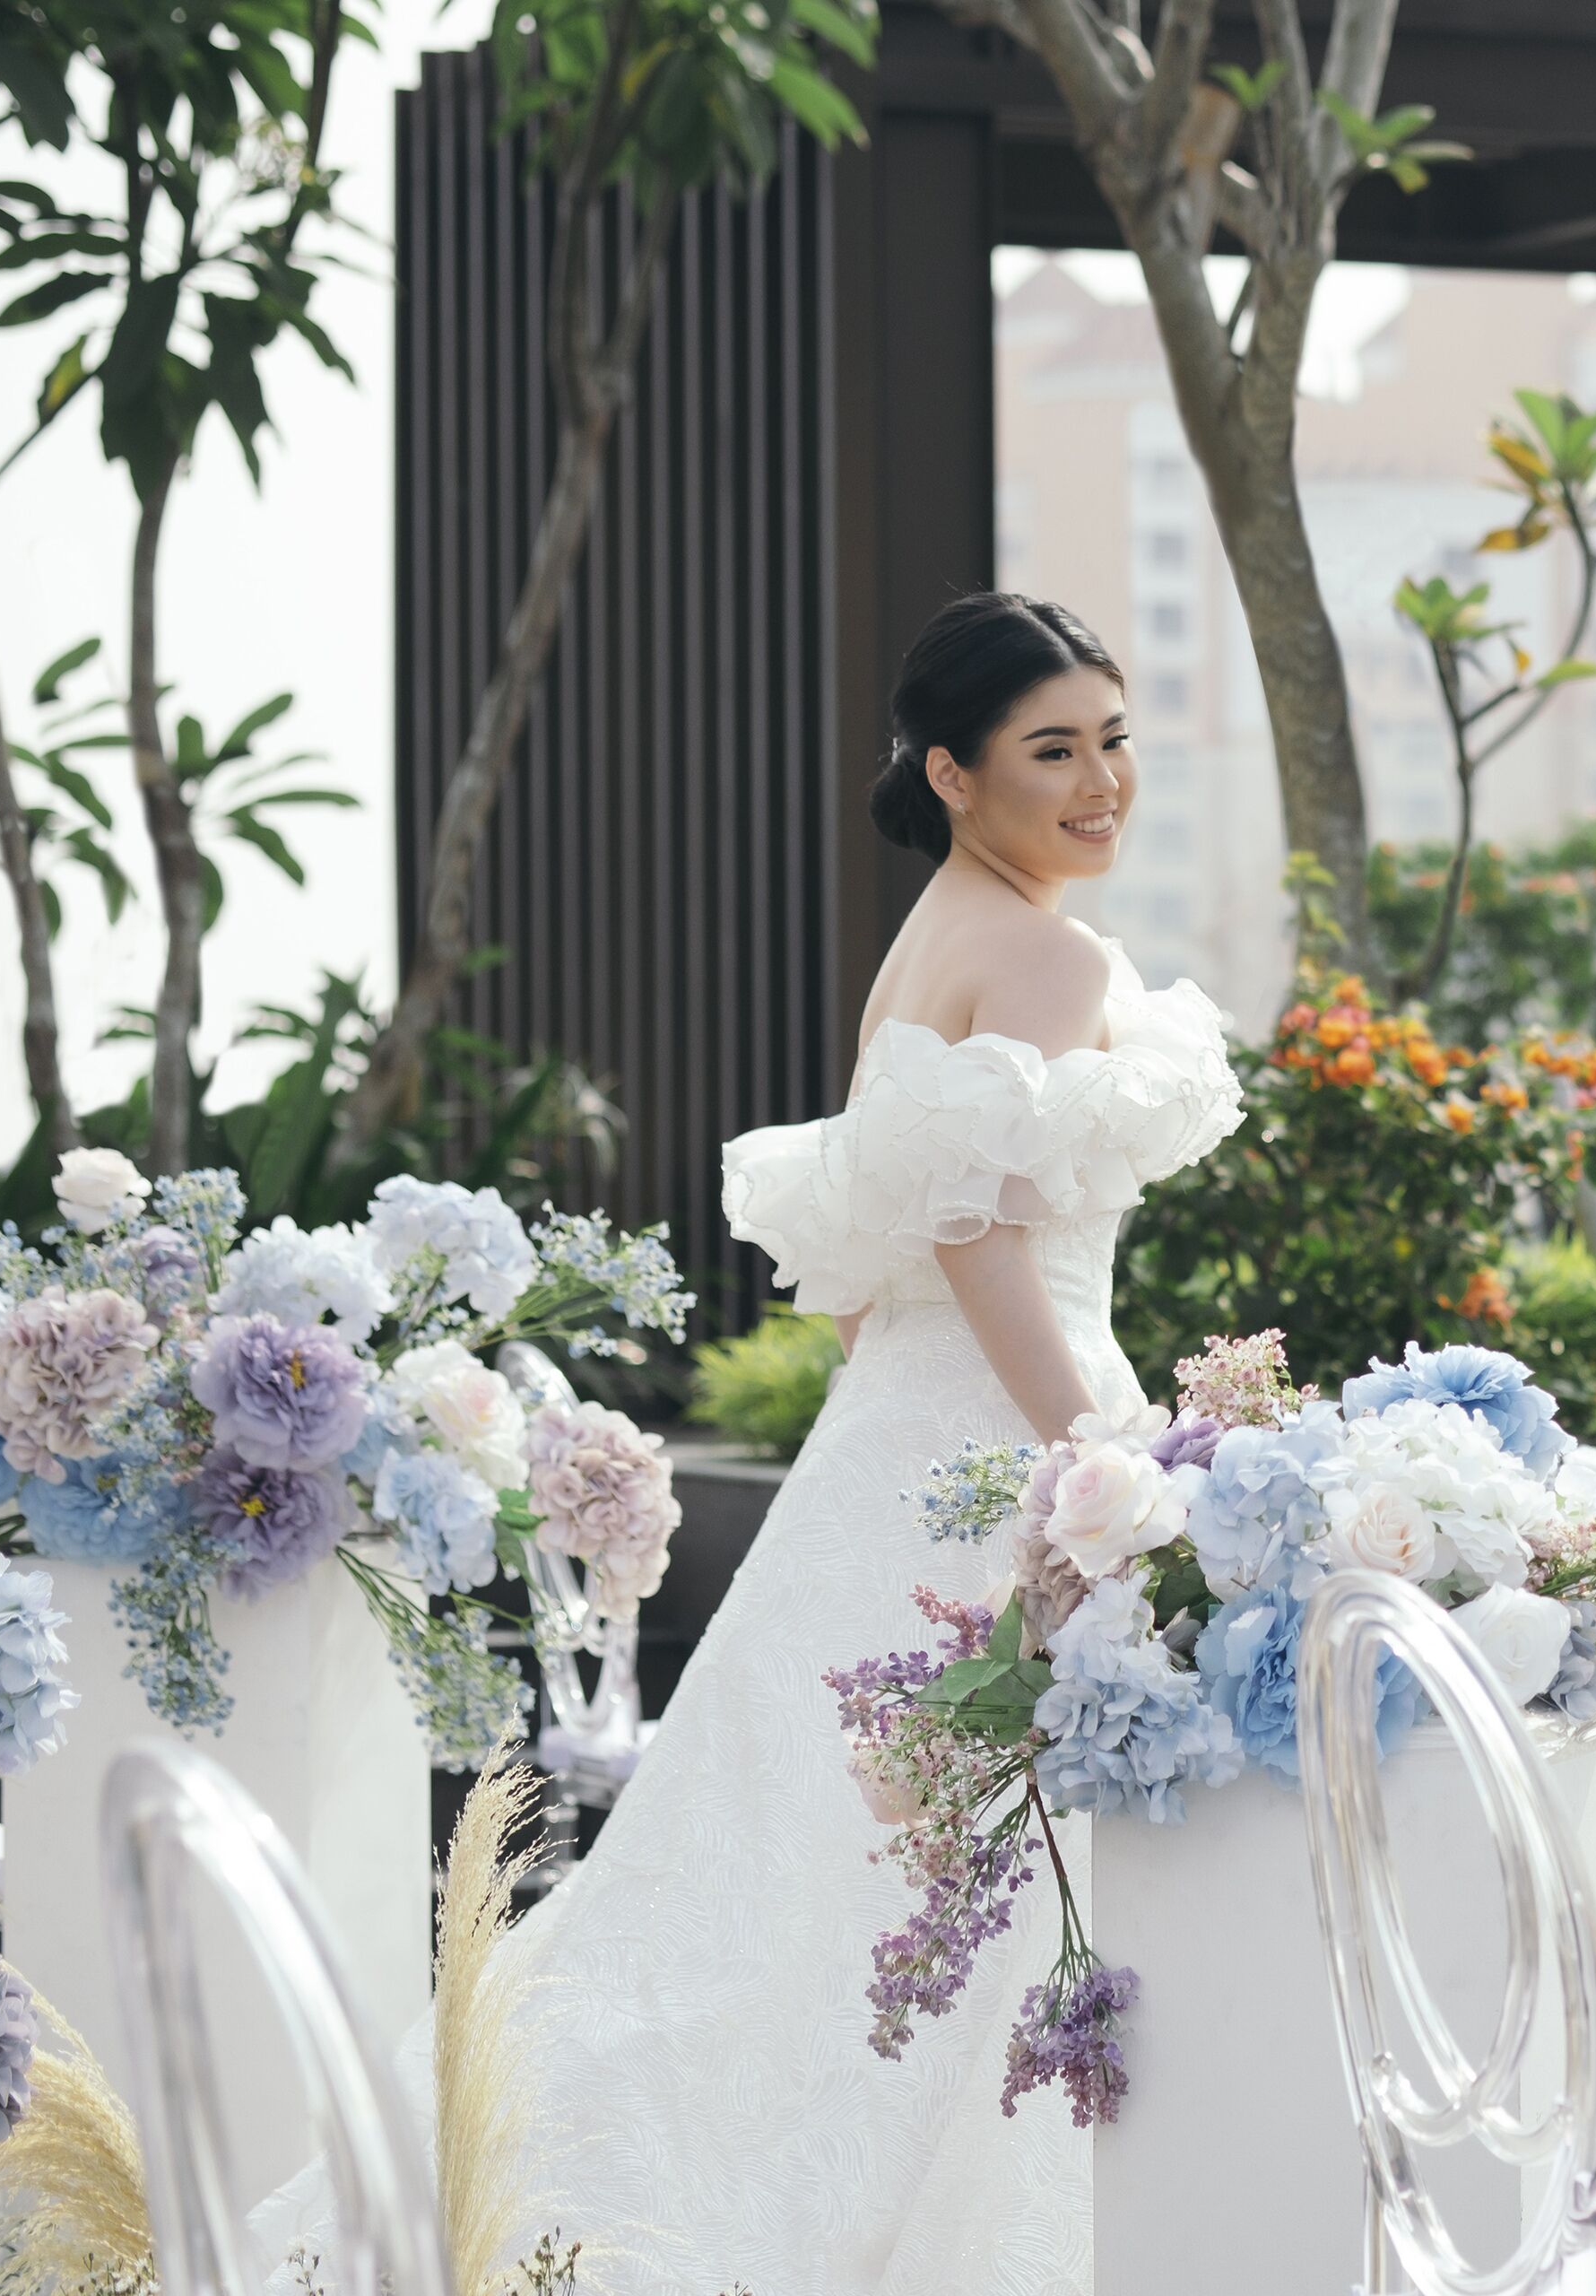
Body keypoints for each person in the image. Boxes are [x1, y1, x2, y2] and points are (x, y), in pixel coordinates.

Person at [256, 592, 1241, 2290]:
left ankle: (491, 2217)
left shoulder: (932, 935)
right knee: (925, 1887)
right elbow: (979, 1244)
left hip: (895, 1451)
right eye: (1052, 752)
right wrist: (1111, 1472)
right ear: (952, 771)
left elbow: (867, 1274)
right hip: (1009, 1445)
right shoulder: (1051, 952)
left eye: (1116, 740)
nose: (1101, 784)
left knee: (780, 1883)